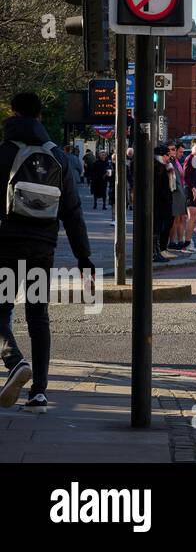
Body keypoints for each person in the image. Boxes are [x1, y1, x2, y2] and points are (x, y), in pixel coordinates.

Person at [0, 92, 94, 413]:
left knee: (1, 309)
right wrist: (84, 257)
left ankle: (14, 360)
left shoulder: (5, 152)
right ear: (40, 116)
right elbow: (73, 211)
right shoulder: (58, 156)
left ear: (13, 113)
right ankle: (39, 392)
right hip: (43, 248)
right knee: (38, 316)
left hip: (7, 246)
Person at [151, 145, 174, 264]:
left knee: (159, 229)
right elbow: (160, 188)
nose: (168, 157)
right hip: (157, 204)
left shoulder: (164, 167)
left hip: (162, 204)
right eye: (166, 155)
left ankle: (156, 251)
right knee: (155, 229)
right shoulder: (157, 167)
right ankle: (154, 253)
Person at [167, 142, 188, 252]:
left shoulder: (176, 162)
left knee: (181, 218)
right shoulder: (170, 162)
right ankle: (172, 242)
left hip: (180, 192)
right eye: (174, 150)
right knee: (175, 219)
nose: (177, 153)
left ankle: (180, 241)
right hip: (174, 192)